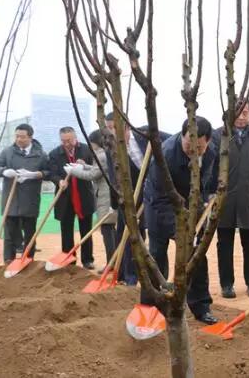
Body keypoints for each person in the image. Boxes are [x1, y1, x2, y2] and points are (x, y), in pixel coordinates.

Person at [139, 116, 219, 324]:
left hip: (193, 205)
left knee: (197, 256)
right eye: (187, 145)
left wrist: (209, 196)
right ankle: (151, 306)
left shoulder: (212, 152)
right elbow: (161, 198)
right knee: (156, 254)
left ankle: (201, 307)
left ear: (208, 141)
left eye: (199, 147)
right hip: (160, 205)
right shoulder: (164, 155)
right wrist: (181, 230)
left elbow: (207, 182)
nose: (193, 150)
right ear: (181, 136)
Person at [212, 99, 249, 298]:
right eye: (238, 112)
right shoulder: (217, 135)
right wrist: (210, 194)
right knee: (224, 243)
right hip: (224, 198)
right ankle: (226, 284)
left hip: (248, 196)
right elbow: (210, 168)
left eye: (245, 112)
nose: (241, 116)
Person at [104, 112, 170, 284]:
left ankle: (160, 278)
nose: (111, 133)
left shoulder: (145, 134)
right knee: (131, 236)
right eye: (108, 128)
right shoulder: (112, 149)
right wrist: (118, 202)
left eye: (114, 128)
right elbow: (113, 177)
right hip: (132, 195)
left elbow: (172, 142)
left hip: (157, 191)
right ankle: (131, 277)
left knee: (158, 234)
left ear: (126, 126)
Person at [0, 124, 49, 263]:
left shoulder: (40, 154)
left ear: (30, 137)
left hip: (30, 199)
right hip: (11, 199)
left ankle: (28, 260)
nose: (19, 139)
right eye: (17, 136)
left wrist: (35, 174)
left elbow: (49, 172)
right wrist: (4, 171)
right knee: (10, 234)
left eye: (22, 137)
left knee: (30, 233)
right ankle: (8, 261)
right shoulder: (8, 152)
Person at [64, 129, 118, 273]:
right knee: (110, 230)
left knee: (107, 231)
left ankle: (111, 263)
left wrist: (73, 171)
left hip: (105, 197)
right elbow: (99, 170)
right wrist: (83, 166)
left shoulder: (101, 155)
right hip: (107, 195)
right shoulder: (106, 154)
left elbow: (93, 175)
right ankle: (113, 261)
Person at [48, 127, 96, 269]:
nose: (66, 143)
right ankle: (69, 260)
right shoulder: (55, 154)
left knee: (86, 230)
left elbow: (95, 169)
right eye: (63, 141)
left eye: (69, 140)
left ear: (75, 138)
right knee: (66, 231)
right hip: (65, 197)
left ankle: (87, 260)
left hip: (84, 195)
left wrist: (84, 166)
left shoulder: (87, 150)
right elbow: (52, 173)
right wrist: (59, 181)